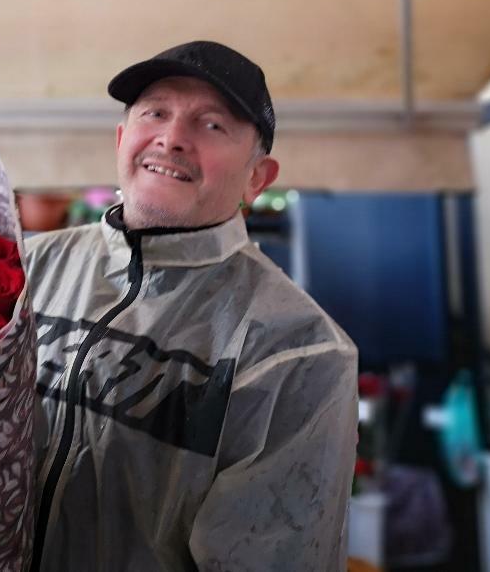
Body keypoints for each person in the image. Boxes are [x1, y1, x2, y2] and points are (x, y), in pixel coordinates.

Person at [26, 41, 358, 572]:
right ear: (121, 138)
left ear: (258, 177)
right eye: (155, 112)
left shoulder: (299, 350)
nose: (172, 137)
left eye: (211, 126)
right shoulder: (23, 268)